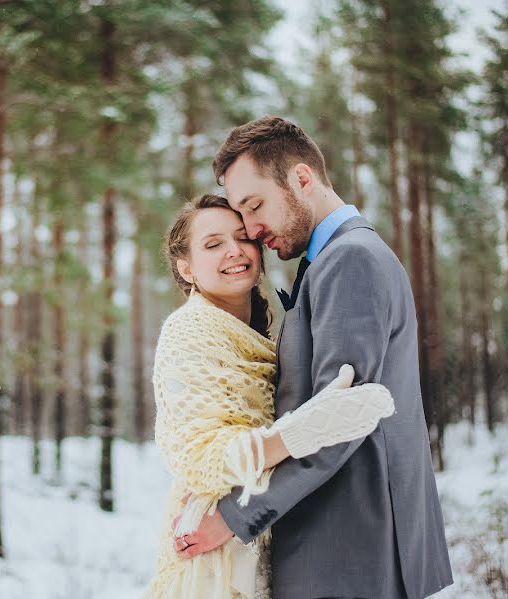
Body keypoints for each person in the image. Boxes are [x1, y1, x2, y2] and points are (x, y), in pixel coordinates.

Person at [176, 117, 454, 599]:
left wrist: (235, 516)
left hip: (349, 549)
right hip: (344, 545)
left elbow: (338, 422)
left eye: (255, 205)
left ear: (302, 179)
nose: (252, 229)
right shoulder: (331, 260)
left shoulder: (350, 260)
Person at [145, 194, 396, 598]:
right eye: (213, 245)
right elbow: (202, 458)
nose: (234, 251)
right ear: (185, 268)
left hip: (257, 529)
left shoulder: (262, 336)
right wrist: (305, 431)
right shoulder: (188, 332)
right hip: (214, 549)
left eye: (243, 238)